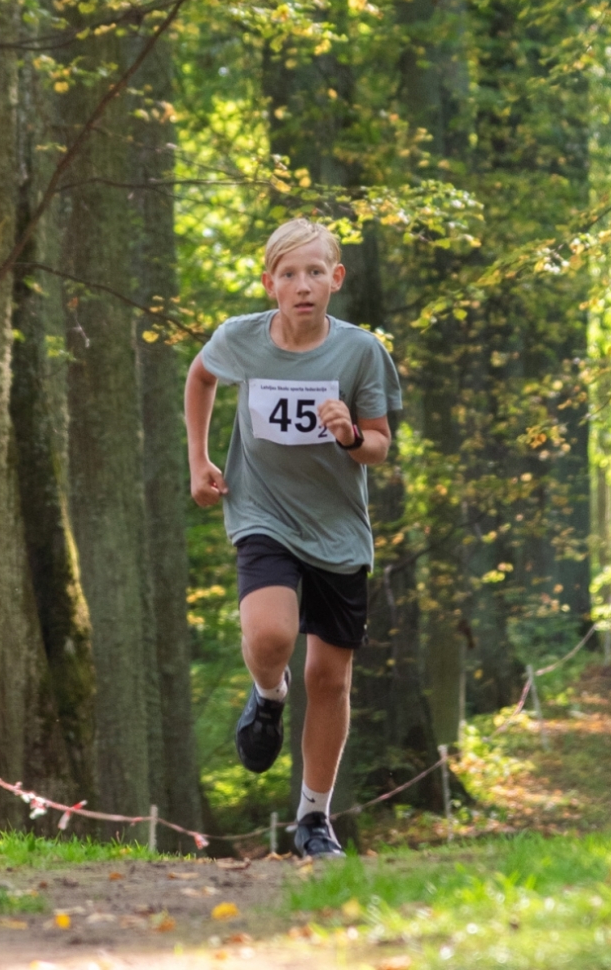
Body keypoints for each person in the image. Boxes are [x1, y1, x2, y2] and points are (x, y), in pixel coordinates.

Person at [184, 218, 402, 859]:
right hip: (262, 512)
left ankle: (314, 819)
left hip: (337, 529)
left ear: (335, 279)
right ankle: (268, 695)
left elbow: (381, 447)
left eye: (314, 273)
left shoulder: (360, 352)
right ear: (270, 284)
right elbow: (201, 377)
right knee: (272, 636)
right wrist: (199, 461)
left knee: (330, 679)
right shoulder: (241, 339)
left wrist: (349, 436)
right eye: (288, 274)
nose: (302, 286)